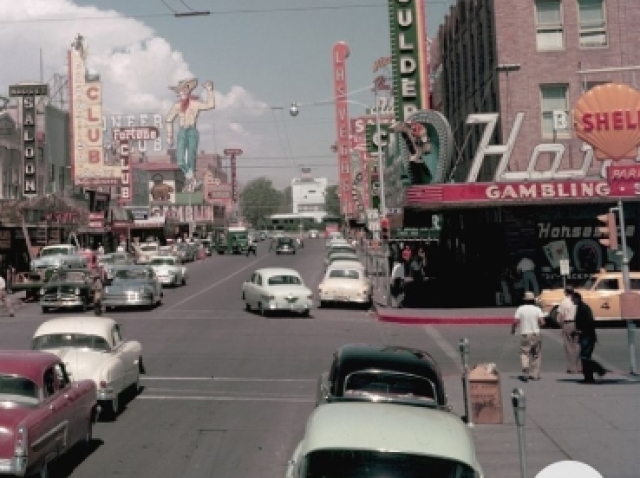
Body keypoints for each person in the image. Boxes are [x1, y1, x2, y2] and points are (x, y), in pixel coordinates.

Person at [165, 78, 216, 192]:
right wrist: (169, 136)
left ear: (189, 89)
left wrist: (209, 90)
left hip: (192, 131)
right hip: (182, 131)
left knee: (191, 157)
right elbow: (169, 119)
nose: (183, 91)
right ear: (178, 92)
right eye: (180, 90)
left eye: (185, 88)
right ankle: (191, 179)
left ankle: (191, 182)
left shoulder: (195, 103)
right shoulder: (177, 106)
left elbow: (210, 105)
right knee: (180, 160)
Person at [572, 292, 608, 384]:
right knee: (584, 357)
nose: (572, 301)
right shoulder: (579, 308)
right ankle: (588, 377)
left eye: (573, 299)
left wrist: (582, 331)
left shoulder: (585, 308)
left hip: (588, 336)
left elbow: (589, 322)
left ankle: (599, 369)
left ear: (578, 298)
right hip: (584, 335)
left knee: (585, 357)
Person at [511, 291, 545, 381]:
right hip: (536, 334)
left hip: (525, 334)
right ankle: (535, 374)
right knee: (536, 355)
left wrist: (513, 330)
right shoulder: (537, 309)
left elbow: (515, 321)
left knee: (524, 353)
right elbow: (542, 322)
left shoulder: (520, 309)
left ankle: (525, 367)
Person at [557, 286, 581, 374]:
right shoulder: (577, 301)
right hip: (577, 323)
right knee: (577, 345)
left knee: (569, 347)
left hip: (568, 324)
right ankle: (579, 367)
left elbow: (561, 316)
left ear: (566, 292)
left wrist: (561, 327)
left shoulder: (564, 302)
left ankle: (572, 368)